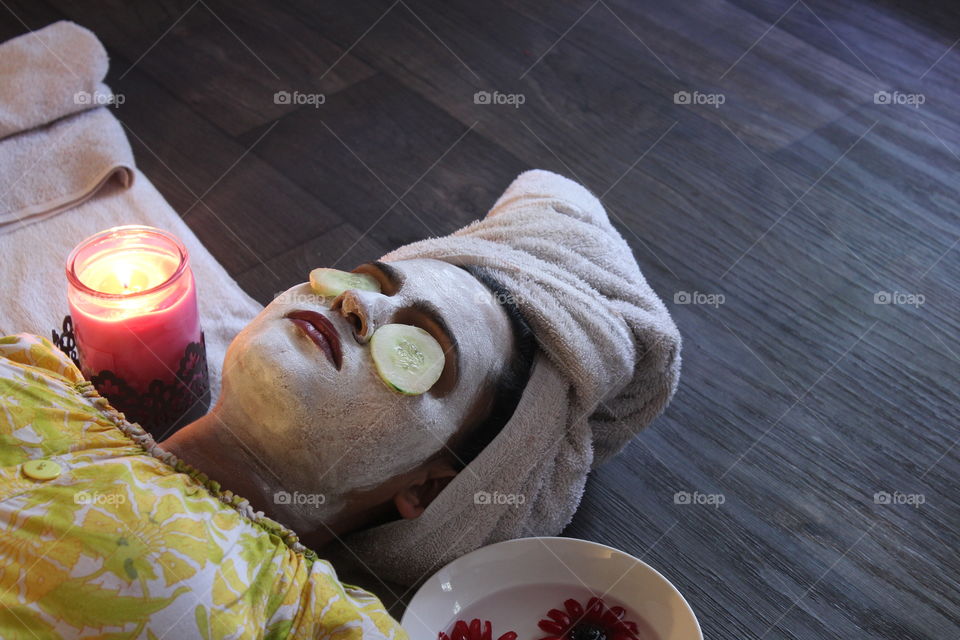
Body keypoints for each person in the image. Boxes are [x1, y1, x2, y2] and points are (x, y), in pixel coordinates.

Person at [0, 169, 681, 637]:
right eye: (367, 279)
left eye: (420, 346)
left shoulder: (318, 618)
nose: (356, 303)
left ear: (426, 488)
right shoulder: (32, 374)